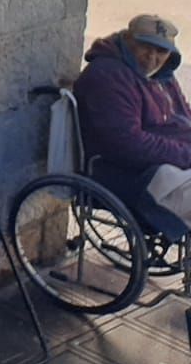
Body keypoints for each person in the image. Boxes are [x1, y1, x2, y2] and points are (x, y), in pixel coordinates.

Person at [74, 15, 191, 221]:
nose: (152, 57)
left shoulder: (161, 74)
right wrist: (185, 154)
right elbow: (128, 144)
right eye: (145, 46)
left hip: (165, 161)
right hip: (125, 173)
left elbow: (181, 115)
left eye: (161, 51)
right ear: (127, 41)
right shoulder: (108, 77)